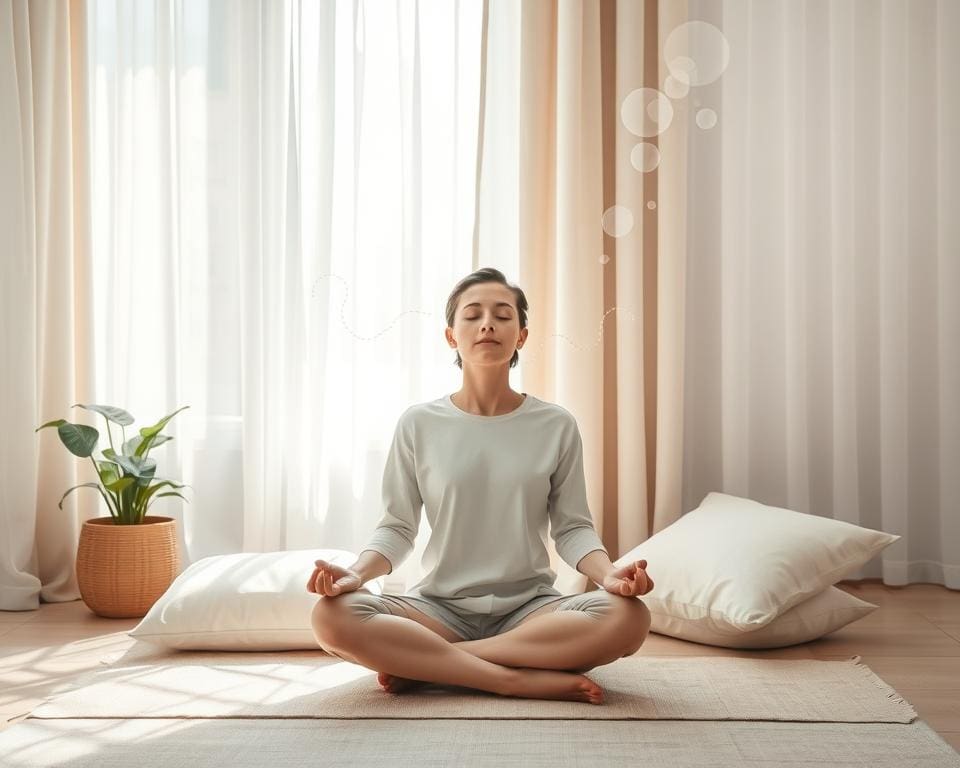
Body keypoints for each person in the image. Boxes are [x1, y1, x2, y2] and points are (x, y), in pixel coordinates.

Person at [307, 267, 654, 705]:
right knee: (332, 617)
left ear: (521, 336)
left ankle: (434, 666)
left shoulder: (555, 425)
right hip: (438, 608)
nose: (487, 323)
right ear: (451, 336)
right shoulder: (419, 423)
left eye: (502, 315)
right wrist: (355, 574)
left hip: (531, 610)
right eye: (472, 314)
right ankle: (512, 679)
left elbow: (572, 528)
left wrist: (611, 576)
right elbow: (397, 528)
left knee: (628, 618)